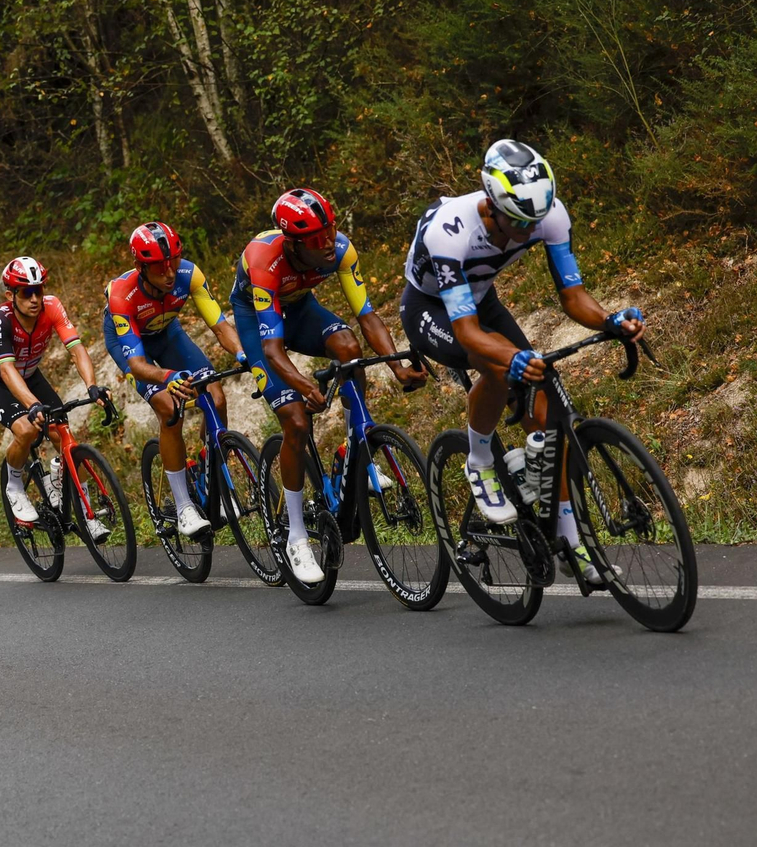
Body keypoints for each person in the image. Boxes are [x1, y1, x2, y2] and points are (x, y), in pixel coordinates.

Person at [398, 139, 645, 584]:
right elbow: (468, 333)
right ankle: (479, 461)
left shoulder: (548, 214)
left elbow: (573, 296)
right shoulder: (449, 230)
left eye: (534, 221)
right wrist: (511, 357)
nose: (528, 229)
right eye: (517, 220)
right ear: (491, 205)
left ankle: (572, 543)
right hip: (429, 308)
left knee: (549, 417)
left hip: (480, 297)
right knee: (496, 364)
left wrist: (609, 320)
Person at [230, 188, 425, 582]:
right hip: (258, 322)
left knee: (349, 347)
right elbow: (272, 349)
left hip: (301, 308)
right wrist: (303, 384)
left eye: (330, 232)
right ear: (292, 243)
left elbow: (366, 315)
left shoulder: (340, 249)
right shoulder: (264, 262)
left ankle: (359, 446)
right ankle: (297, 538)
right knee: (297, 422)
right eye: (316, 239)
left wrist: (397, 365)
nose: (327, 244)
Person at [103, 222, 244, 539]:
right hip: (131, 344)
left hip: (167, 334)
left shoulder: (189, 275)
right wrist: (167, 376)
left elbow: (220, 327)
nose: (168, 272)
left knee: (217, 398)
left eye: (173, 262)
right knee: (169, 409)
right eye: (158, 266)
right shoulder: (123, 296)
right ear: (141, 266)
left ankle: (213, 482)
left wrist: (242, 355)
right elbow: (137, 364)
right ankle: (183, 506)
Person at [0, 256, 109, 529]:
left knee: (63, 434)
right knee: (26, 430)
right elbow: (7, 371)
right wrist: (33, 405)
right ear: (10, 295)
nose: (35, 298)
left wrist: (92, 385)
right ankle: (14, 487)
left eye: (39, 290)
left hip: (30, 374)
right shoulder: (0, 319)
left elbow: (76, 349)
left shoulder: (52, 307)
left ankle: (87, 514)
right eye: (26, 293)